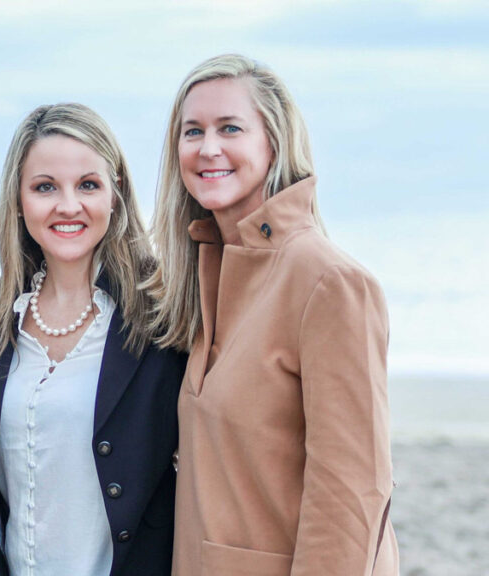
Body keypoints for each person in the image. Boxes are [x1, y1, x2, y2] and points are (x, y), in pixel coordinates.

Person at [143, 54, 398, 575]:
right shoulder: (201, 277)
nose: (208, 147)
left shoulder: (329, 283)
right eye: (193, 131)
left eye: (230, 128)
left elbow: (352, 490)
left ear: (273, 141)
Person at [0, 103, 186, 576]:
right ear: (19, 198)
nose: (68, 205)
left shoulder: (165, 316)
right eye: (45, 186)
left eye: (88, 185)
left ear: (116, 193)